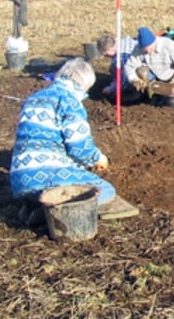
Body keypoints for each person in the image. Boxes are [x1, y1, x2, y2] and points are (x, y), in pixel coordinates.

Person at [10, 58, 116, 225]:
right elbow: (79, 147)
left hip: (19, 180)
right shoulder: (70, 102)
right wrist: (98, 158)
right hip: (48, 177)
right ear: (84, 84)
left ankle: (33, 204)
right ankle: (50, 212)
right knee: (106, 191)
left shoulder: (33, 98)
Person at [124, 26, 174, 98]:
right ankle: (150, 93)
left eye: (150, 48)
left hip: (171, 78)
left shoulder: (168, 44)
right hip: (155, 77)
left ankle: (170, 92)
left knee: (171, 100)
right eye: (145, 50)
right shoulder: (139, 48)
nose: (149, 52)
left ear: (154, 41)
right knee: (141, 71)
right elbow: (129, 66)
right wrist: (134, 79)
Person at [97, 33, 140, 102]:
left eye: (106, 55)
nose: (105, 57)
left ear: (110, 49)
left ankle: (139, 92)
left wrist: (111, 89)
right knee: (113, 67)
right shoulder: (121, 40)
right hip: (140, 61)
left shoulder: (120, 58)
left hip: (144, 69)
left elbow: (125, 80)